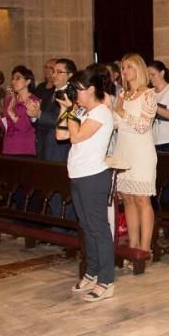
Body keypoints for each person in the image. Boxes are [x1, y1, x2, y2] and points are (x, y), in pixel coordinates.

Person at [56, 66, 116, 302]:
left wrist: (70, 112)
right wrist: (66, 111)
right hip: (78, 174)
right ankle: (92, 271)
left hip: (94, 175)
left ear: (91, 89)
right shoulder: (81, 111)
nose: (75, 94)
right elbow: (60, 135)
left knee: (99, 228)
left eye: (78, 90)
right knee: (87, 227)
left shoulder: (101, 113)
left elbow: (76, 136)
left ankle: (107, 280)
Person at [112, 54, 158, 254]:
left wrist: (121, 111)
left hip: (141, 152)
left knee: (142, 199)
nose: (125, 71)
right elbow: (115, 123)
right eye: (123, 68)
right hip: (122, 149)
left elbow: (142, 126)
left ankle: (145, 249)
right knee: (128, 199)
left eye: (129, 67)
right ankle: (133, 246)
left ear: (139, 69)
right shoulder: (123, 94)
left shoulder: (149, 94)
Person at [0, 66, 39, 157]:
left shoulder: (33, 101)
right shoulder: (11, 100)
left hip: (24, 148)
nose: (13, 81)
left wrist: (11, 113)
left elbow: (24, 126)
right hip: (8, 147)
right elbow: (6, 127)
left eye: (18, 78)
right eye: (12, 79)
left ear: (28, 82)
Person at [30, 59, 76, 162]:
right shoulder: (50, 92)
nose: (54, 75)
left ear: (70, 75)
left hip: (58, 148)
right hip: (42, 143)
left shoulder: (72, 95)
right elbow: (41, 116)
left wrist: (39, 114)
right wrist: (33, 115)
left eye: (59, 72)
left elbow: (65, 119)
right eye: (54, 71)